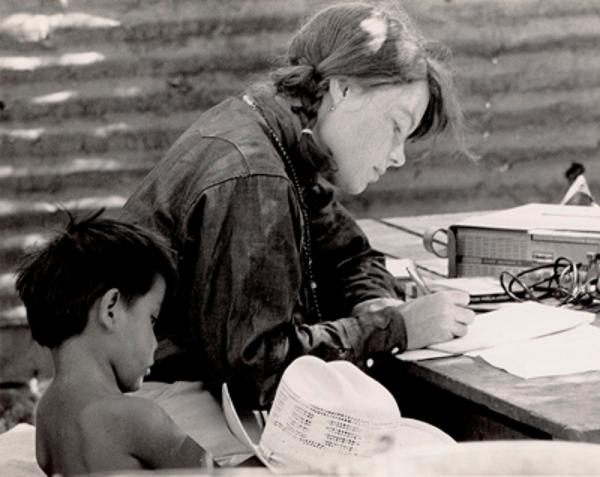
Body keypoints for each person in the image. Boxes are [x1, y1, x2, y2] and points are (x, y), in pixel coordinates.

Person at [121, 1, 475, 409]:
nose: (398, 157)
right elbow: (256, 371)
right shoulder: (256, 177)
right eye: (396, 127)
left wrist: (372, 300)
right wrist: (394, 327)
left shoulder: (284, 140)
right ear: (344, 88)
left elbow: (348, 256)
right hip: (160, 409)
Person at [14, 210, 214, 476]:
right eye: (152, 319)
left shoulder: (47, 414)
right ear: (111, 310)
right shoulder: (137, 419)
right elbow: (215, 472)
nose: (156, 343)